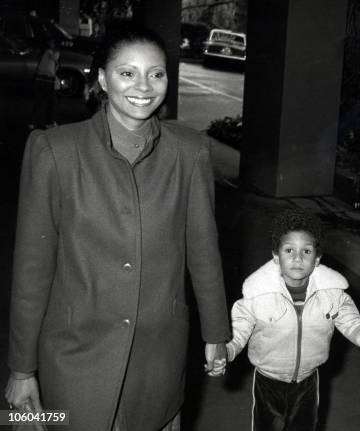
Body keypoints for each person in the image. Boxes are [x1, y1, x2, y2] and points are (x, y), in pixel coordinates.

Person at [4, 25, 230, 430]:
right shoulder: (54, 151)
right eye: (127, 73)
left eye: (156, 73)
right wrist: (22, 370)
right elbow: (32, 269)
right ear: (103, 79)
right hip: (75, 358)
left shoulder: (190, 151)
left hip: (160, 358)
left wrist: (216, 332)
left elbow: (203, 251)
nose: (143, 86)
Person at [226, 209, 360, 431]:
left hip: (308, 380)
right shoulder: (257, 295)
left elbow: (352, 322)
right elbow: (238, 329)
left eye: (306, 251)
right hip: (269, 380)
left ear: (317, 259)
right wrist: (227, 349)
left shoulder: (332, 294)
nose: (297, 258)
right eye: (289, 250)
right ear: (276, 256)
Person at [30, 38, 60, 129]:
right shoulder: (50, 53)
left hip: (39, 79)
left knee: (39, 102)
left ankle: (33, 122)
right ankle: (49, 122)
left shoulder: (42, 53)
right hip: (47, 80)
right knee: (51, 102)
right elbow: (55, 59)